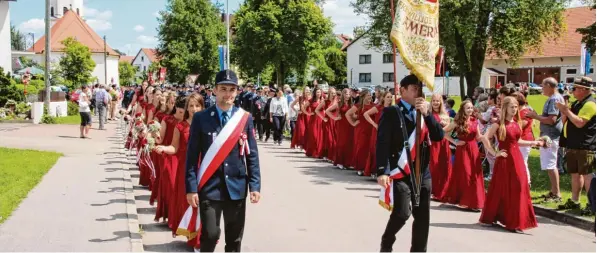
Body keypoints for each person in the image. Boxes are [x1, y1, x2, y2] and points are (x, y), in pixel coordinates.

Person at [185, 70, 261, 252]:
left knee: (234, 240)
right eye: (223, 89)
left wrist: (255, 185)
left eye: (232, 90)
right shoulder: (201, 118)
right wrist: (191, 188)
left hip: (236, 186)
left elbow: (252, 155)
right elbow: (192, 156)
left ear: (237, 92)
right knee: (210, 235)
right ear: (215, 90)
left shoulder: (244, 118)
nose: (228, 94)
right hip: (210, 187)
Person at [376, 75, 444, 252]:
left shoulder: (425, 113)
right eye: (414, 89)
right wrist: (382, 171)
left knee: (422, 217)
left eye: (420, 89)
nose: (417, 93)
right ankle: (387, 240)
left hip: (422, 172)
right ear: (402, 90)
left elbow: (438, 136)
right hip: (401, 170)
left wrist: (428, 115)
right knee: (402, 213)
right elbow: (383, 142)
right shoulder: (392, 112)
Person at [479, 96, 540, 232]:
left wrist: (533, 143)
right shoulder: (498, 124)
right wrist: (494, 153)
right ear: (505, 108)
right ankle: (502, 218)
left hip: (516, 157)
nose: (514, 109)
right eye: (512, 107)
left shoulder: (517, 123)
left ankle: (517, 220)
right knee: (501, 188)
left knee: (520, 185)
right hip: (504, 159)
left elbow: (517, 142)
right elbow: (484, 137)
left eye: (516, 107)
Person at [556, 76, 596, 212]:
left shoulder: (590, 104)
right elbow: (566, 120)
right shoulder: (578, 103)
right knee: (575, 173)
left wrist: (566, 110)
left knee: (587, 174)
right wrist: (564, 110)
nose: (572, 91)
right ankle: (575, 200)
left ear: (584, 90)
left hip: (585, 145)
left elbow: (580, 123)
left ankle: (592, 204)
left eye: (575, 88)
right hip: (573, 143)